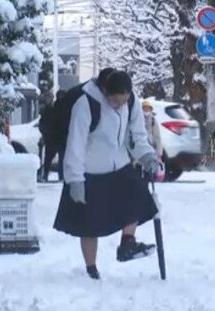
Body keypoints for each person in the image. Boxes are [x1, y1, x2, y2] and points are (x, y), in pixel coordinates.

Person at [53, 70, 163, 280]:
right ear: (104, 91)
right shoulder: (86, 105)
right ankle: (91, 268)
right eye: (115, 101)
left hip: (119, 166)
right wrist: (75, 180)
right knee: (89, 223)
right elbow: (75, 145)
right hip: (90, 171)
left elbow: (137, 136)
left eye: (124, 101)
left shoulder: (131, 103)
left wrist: (148, 156)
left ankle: (127, 244)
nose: (119, 105)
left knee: (139, 199)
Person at [38, 90, 66, 182]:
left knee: (50, 159)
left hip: (53, 138)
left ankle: (46, 176)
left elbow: (42, 124)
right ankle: (60, 177)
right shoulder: (66, 110)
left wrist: (45, 133)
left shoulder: (51, 109)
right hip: (58, 139)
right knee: (59, 159)